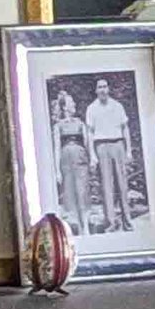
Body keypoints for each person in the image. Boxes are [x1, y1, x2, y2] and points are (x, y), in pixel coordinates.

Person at [83, 77, 137, 230]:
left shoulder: (117, 106)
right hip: (101, 146)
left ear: (109, 89)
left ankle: (127, 221)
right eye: (100, 87)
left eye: (105, 86)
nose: (103, 90)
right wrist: (92, 155)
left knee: (122, 184)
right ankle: (111, 222)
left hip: (118, 144)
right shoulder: (91, 108)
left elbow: (125, 128)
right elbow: (90, 132)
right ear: (96, 90)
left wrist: (128, 150)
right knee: (106, 185)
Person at [52, 80, 101, 232]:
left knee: (82, 191)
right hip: (66, 161)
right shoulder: (58, 126)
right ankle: (78, 226)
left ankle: (86, 225)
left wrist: (92, 157)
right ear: (64, 107)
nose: (74, 105)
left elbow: (88, 142)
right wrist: (57, 171)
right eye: (71, 103)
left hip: (80, 159)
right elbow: (56, 148)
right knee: (70, 193)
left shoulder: (80, 124)